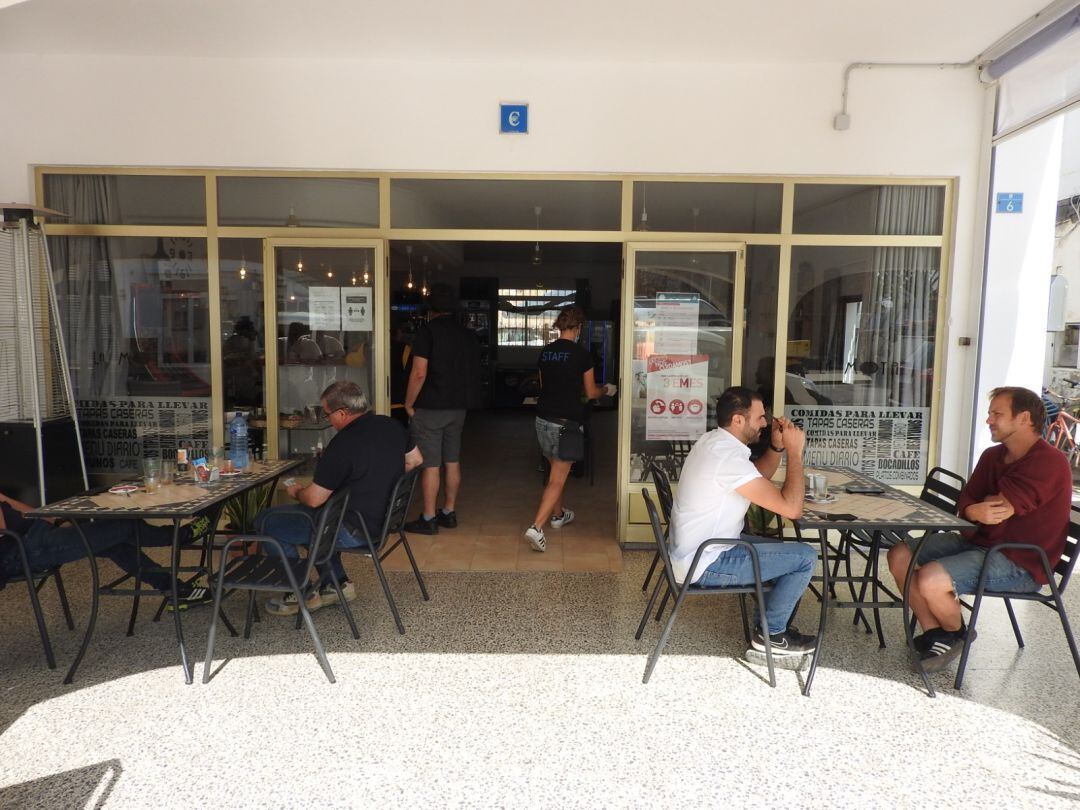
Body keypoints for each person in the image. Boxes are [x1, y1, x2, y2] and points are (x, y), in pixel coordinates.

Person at [887, 386, 1073, 671]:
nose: (989, 420)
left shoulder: (1049, 462)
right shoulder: (992, 456)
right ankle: (939, 634)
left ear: (1024, 418)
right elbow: (968, 504)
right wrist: (975, 509)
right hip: (980, 542)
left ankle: (955, 635)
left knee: (930, 579)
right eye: (989, 413)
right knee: (899, 554)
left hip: (1021, 562)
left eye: (997, 414)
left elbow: (996, 510)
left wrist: (976, 509)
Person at [668, 386, 818, 657]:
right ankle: (771, 634)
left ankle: (768, 625)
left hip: (698, 551)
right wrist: (796, 453)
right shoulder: (727, 456)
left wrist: (776, 446)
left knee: (785, 550)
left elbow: (757, 475)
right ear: (738, 420)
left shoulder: (715, 442)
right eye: (760, 417)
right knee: (804, 556)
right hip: (707, 561)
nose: (765, 423)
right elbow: (792, 509)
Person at [258, 380, 423, 616]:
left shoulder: (343, 445)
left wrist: (296, 491)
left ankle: (299, 591)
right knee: (315, 521)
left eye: (328, 415)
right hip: (383, 522)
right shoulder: (392, 425)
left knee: (267, 521)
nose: (328, 421)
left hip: (351, 528)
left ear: (343, 412)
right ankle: (336, 584)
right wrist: (381, 482)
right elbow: (416, 461)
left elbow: (314, 499)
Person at [0, 490, 210, 606]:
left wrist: (53, 520)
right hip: (22, 551)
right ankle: (179, 537)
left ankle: (173, 588)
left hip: (37, 533)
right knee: (123, 528)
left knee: (113, 537)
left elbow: (11, 503)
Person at [524, 306, 616, 551]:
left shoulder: (545, 353)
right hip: (566, 424)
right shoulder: (582, 355)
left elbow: (543, 384)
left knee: (554, 470)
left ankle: (558, 515)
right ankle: (536, 527)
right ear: (578, 328)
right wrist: (607, 389)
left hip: (542, 419)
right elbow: (590, 392)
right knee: (557, 478)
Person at [402, 284, 482, 535]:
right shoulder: (467, 334)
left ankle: (428, 518)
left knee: (431, 465)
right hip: (458, 408)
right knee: (452, 460)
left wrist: (408, 403)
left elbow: (419, 372)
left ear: (431, 310)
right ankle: (449, 512)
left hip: (431, 407)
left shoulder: (428, 332)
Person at [389, 324, 413, 427]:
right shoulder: (405, 349)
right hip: (399, 402)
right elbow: (412, 372)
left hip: (377, 401)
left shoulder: (368, 346)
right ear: (398, 333)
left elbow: (350, 359)